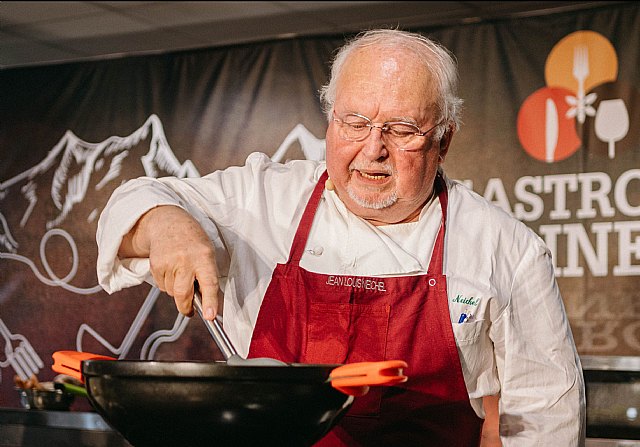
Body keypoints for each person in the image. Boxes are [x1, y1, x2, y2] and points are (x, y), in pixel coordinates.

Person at [96, 29, 586, 446]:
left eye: (401, 129)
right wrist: (166, 224)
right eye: (355, 123)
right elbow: (137, 198)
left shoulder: (506, 249)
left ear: (444, 140)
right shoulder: (263, 201)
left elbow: (547, 418)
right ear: (331, 121)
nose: (373, 149)